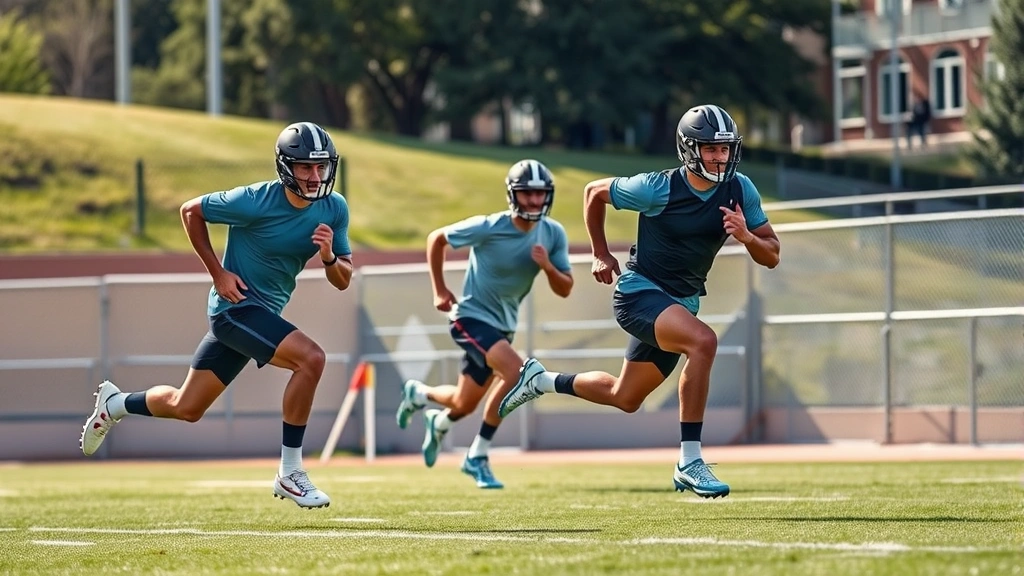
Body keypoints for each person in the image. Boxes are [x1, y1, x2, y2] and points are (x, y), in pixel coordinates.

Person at [499, 105, 781, 499]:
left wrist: (747, 237)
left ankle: (540, 380)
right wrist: (600, 252)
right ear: (688, 149)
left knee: (625, 397)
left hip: (681, 303)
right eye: (710, 149)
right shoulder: (657, 187)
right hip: (639, 293)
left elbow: (772, 254)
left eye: (725, 149)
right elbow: (593, 192)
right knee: (703, 342)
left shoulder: (740, 189)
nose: (720, 158)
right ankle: (690, 459)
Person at [79, 122, 353, 509]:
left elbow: (342, 279)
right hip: (234, 309)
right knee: (311, 359)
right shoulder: (255, 199)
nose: (314, 176)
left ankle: (116, 403)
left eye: (321, 167)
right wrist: (218, 273)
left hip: (259, 315)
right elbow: (190, 210)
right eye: (305, 167)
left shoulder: (334, 207)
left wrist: (327, 258)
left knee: (185, 407)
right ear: (285, 167)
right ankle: (290, 472)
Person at [395, 159, 574, 489]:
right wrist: (440, 290)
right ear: (512, 195)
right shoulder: (491, 226)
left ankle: (423, 398)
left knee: (464, 404)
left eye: (540, 194)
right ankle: (478, 455)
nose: (534, 201)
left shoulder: (553, 233)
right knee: (518, 374)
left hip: (502, 328)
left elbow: (565, 288)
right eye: (526, 194)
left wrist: (547, 266)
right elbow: (437, 239)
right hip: (470, 318)